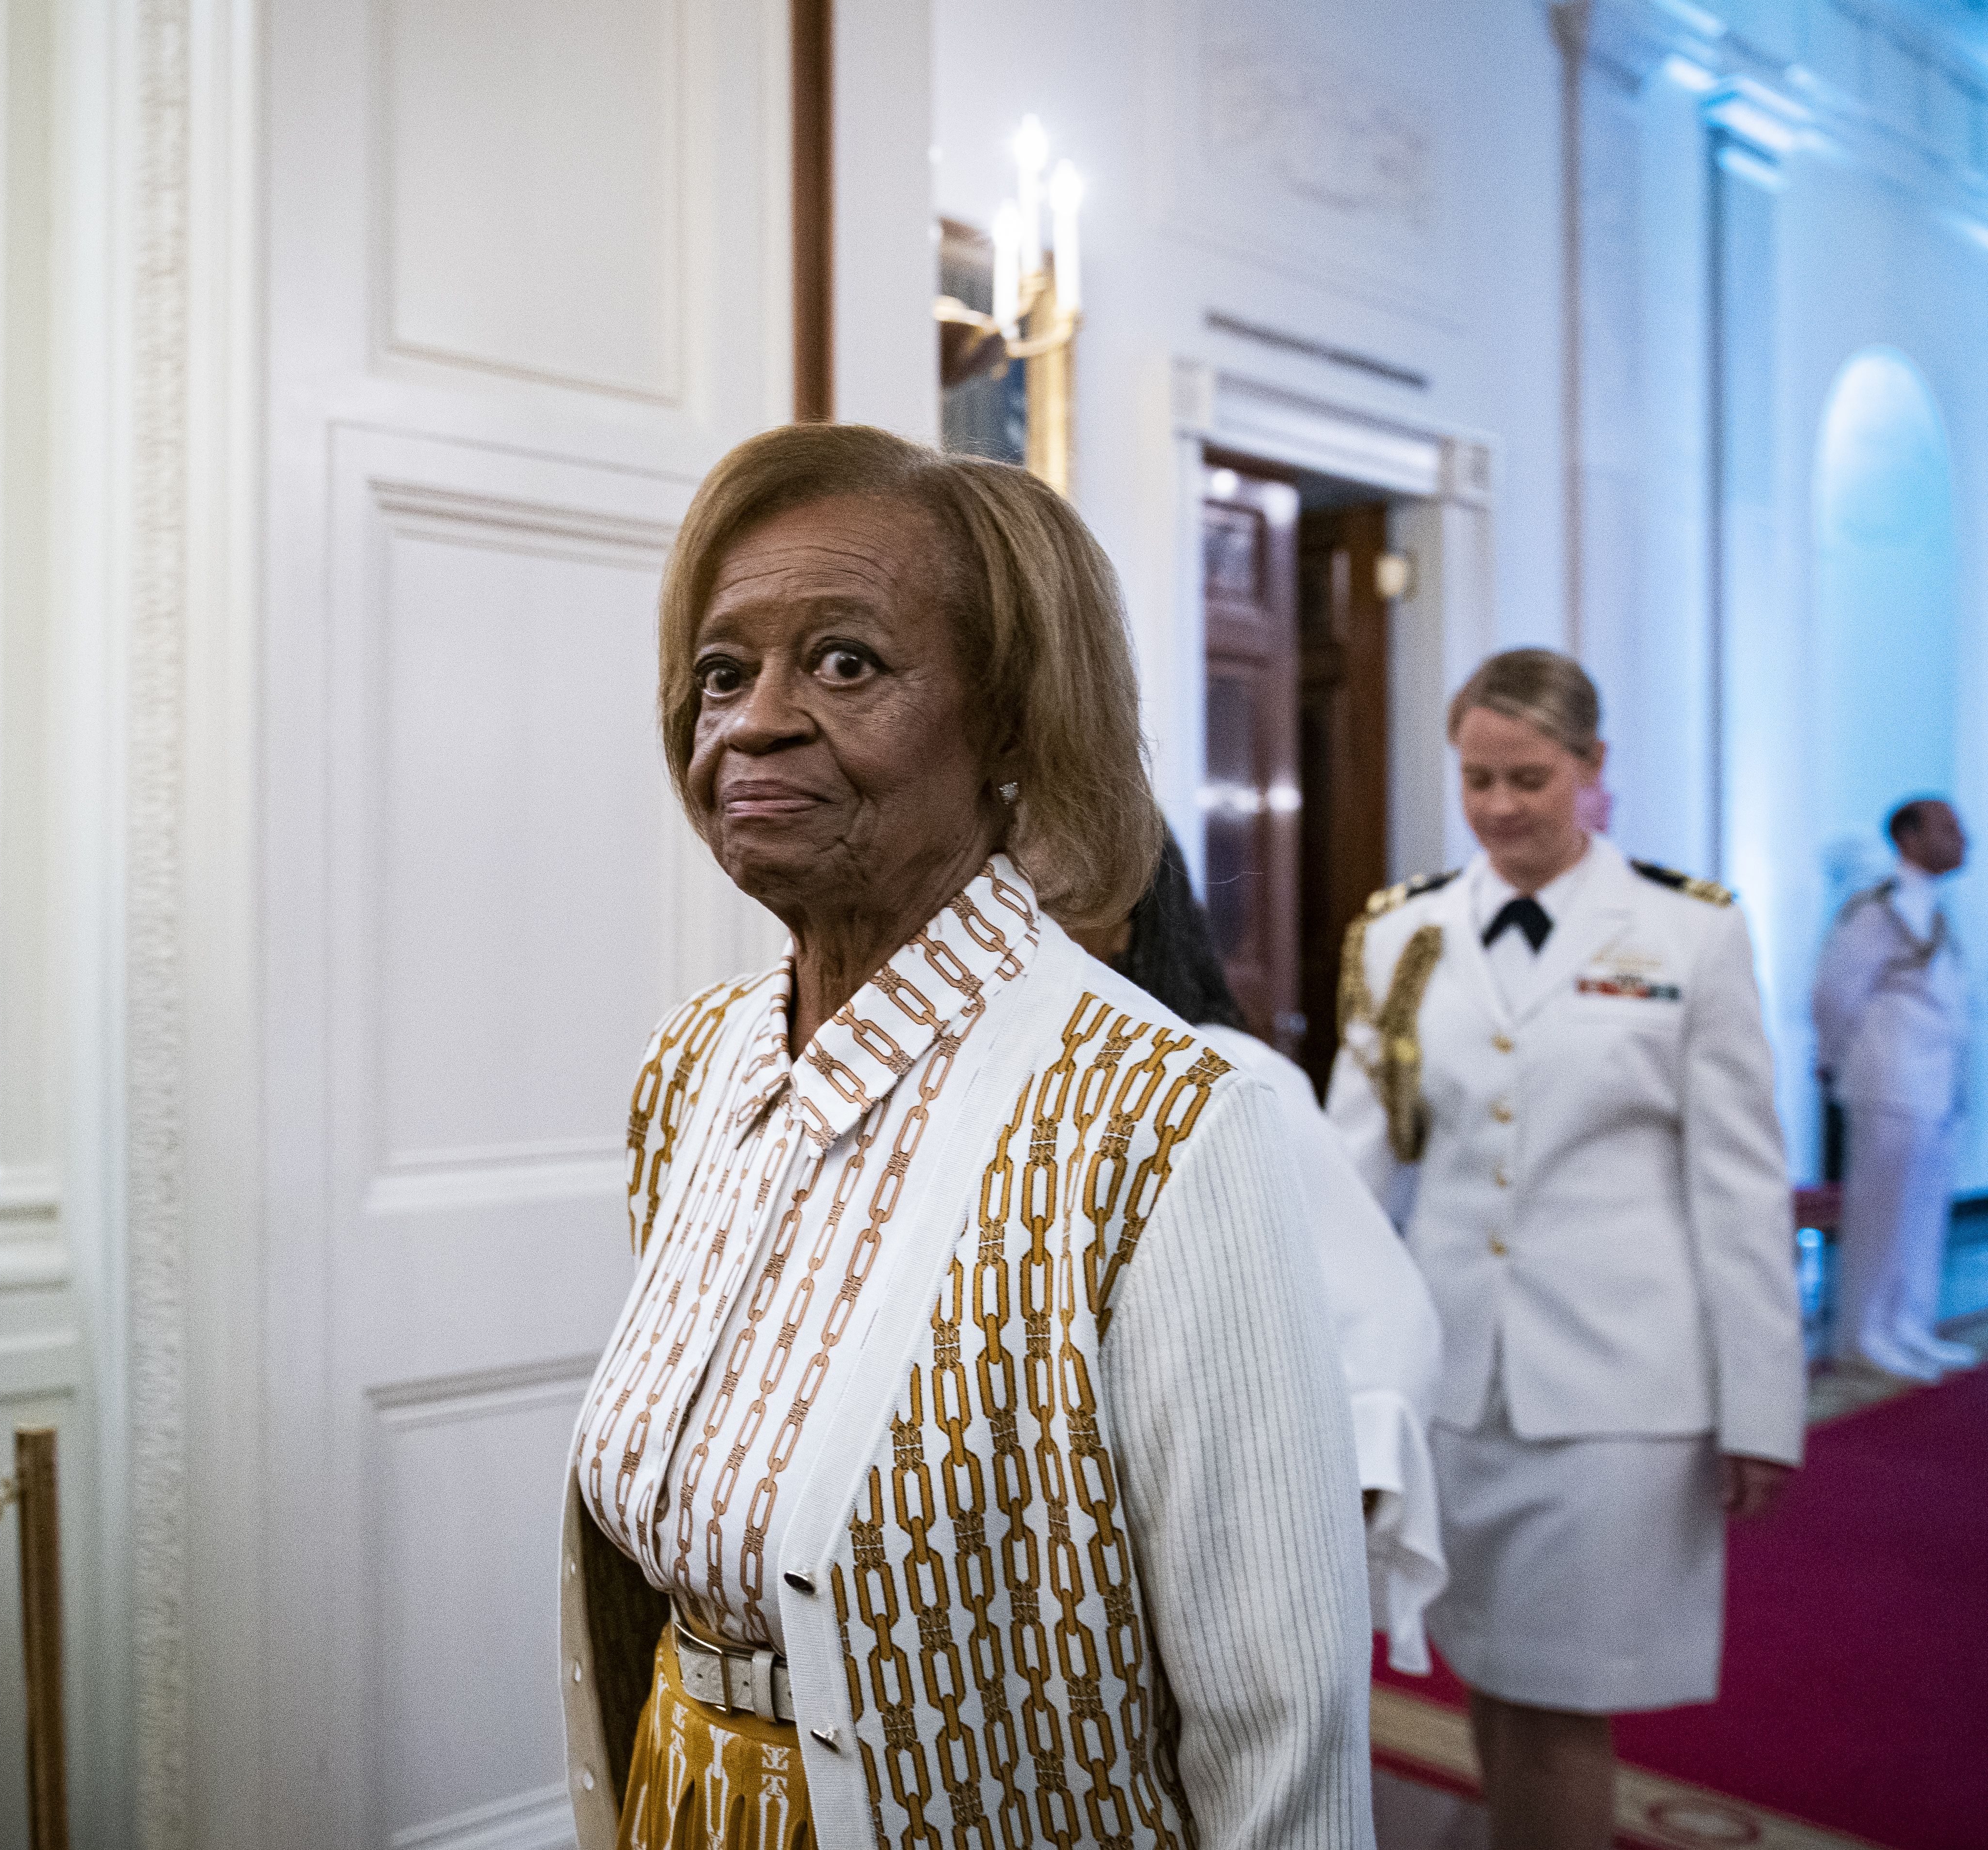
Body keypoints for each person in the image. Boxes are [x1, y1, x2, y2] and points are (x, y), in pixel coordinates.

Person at [560, 424, 1371, 1850]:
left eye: (844, 662)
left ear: (1009, 721)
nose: (751, 720)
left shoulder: (1160, 1120)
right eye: (719, 670)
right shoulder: (692, 1070)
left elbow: (1278, 1728)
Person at [1326, 647, 1804, 1850]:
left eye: (1527, 777)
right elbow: (1350, 1169)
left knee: (1553, 1703)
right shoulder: (1405, 936)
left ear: (1593, 769)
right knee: (1489, 1673)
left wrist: (1761, 1403)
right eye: (1476, 778)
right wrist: (1318, 1358)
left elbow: (1740, 1184)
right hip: (1454, 1380)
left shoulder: (1687, 933)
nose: (1497, 807)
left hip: (1614, 1393)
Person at [1083, 834, 1447, 1675]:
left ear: (1124, 922)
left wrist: (1282, 1589)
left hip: (1188, 1593)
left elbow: (1385, 1344)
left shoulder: (1226, 1076)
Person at [1812, 797, 1974, 1381]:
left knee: (1923, 1216)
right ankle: (1863, 1336)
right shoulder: (1877, 907)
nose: (1965, 839)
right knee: (1880, 1218)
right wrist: (1831, 1062)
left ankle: (1908, 1326)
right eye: (1949, 828)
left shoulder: (1931, 905)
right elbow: (1834, 991)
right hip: (1888, 1082)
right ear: (1907, 837)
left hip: (1932, 1085)